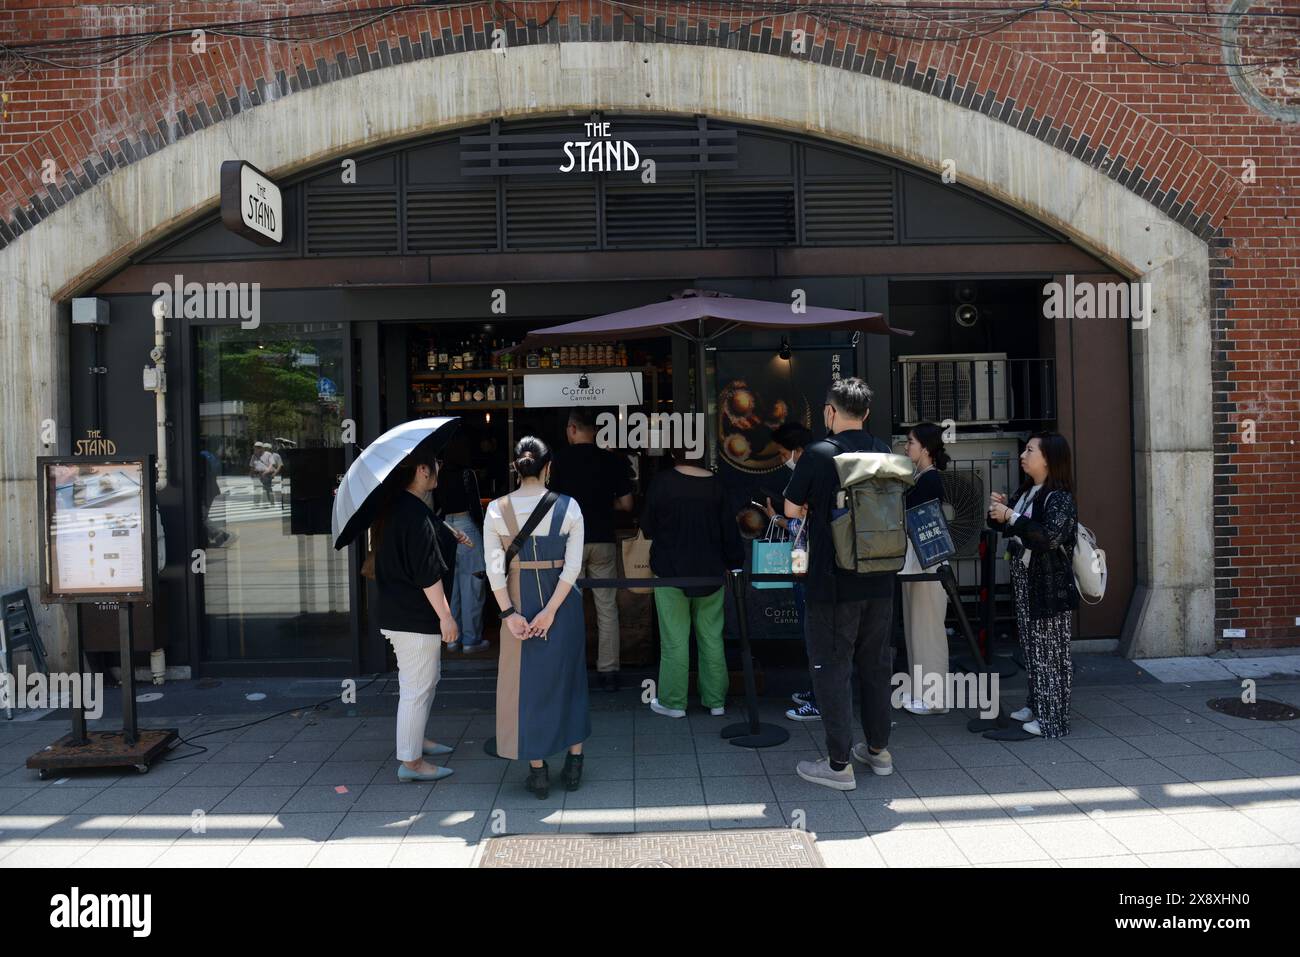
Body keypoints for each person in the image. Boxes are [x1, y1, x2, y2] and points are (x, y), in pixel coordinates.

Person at [783, 377, 897, 790]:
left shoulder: (817, 453)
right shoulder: (884, 452)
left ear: (830, 412)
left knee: (832, 668)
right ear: (866, 414)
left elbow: (792, 509)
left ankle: (837, 765)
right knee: (875, 666)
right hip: (881, 577)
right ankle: (878, 751)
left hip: (832, 582)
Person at [485, 436, 592, 798]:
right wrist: (550, 611)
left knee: (526, 688)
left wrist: (509, 614)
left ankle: (538, 770)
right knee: (570, 679)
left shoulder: (497, 510)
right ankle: (574, 764)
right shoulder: (570, 507)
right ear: (549, 467)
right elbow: (573, 567)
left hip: (517, 601)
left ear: (517, 467)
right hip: (562, 606)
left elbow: (494, 568)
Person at [364, 443, 459, 783]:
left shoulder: (398, 509)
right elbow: (427, 574)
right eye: (437, 463)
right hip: (414, 617)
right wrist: (446, 617)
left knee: (423, 682)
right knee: (417, 688)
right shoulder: (413, 514)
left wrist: (448, 536)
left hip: (398, 612)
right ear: (422, 470)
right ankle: (412, 762)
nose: (439, 468)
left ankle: (416, 741)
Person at [986, 432, 1078, 739]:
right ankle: (1037, 705)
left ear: (1049, 458)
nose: (1023, 455)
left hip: (1049, 586)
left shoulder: (1060, 497)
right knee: (1032, 647)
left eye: (1029, 450)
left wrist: (1011, 516)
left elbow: (1049, 537)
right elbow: (1009, 526)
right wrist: (999, 513)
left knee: (1050, 652)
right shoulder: (1028, 490)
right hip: (1027, 582)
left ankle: (1053, 720)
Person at [640, 444, 740, 719]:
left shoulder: (662, 483)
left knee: (674, 639)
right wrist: (735, 563)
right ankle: (716, 701)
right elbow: (730, 531)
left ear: (674, 455)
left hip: (671, 572)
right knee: (711, 637)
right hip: (711, 572)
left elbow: (647, 526)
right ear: (703, 456)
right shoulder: (717, 485)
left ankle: (674, 703)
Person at [548, 408, 635, 692]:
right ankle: (609, 671)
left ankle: (572, 670)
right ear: (595, 430)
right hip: (602, 540)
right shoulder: (611, 461)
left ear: (572, 428)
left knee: (568, 608)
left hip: (569, 542)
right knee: (606, 607)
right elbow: (626, 505)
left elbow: (550, 507)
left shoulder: (558, 461)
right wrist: (601, 506)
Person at [760, 422, 822, 723]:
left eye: (784, 452)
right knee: (813, 631)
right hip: (808, 563)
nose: (782, 458)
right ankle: (817, 690)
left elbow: (804, 523)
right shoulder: (820, 465)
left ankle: (822, 698)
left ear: (797, 451)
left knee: (816, 633)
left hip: (810, 564)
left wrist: (778, 520)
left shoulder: (808, 472)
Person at [899, 422, 952, 715]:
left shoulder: (929, 480)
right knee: (918, 628)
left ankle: (935, 699)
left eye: (911, 443)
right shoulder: (922, 477)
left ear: (926, 449)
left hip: (927, 561)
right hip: (921, 560)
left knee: (927, 630)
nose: (907, 448)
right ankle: (925, 694)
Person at [437, 434, 490, 654]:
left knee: (454, 587)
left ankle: (453, 640)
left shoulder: (439, 474)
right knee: (473, 585)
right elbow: (475, 507)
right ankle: (471, 640)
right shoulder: (467, 474)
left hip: (446, 526)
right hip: (466, 524)